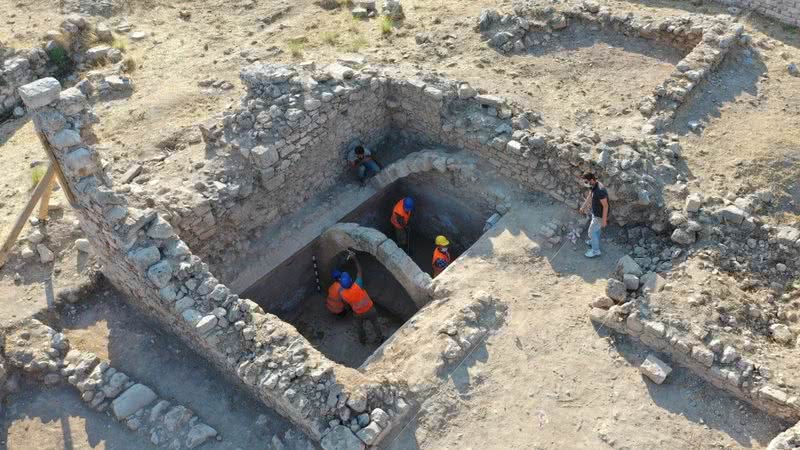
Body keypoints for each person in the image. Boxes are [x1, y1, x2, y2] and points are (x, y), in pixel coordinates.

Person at [338, 261, 384, 344]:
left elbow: (346, 305)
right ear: (351, 280)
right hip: (370, 309)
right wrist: (354, 258)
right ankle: (380, 337)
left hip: (358, 313)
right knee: (375, 323)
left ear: (341, 284)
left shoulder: (342, 294)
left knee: (359, 326)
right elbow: (359, 271)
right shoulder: (358, 285)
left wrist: (349, 311)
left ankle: (362, 340)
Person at [578, 172, 609, 258]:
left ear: (591, 180)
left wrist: (604, 220)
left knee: (591, 232)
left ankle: (596, 251)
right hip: (595, 212)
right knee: (596, 230)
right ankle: (593, 242)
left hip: (599, 215)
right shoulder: (594, 185)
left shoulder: (600, 190)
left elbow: (606, 206)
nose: (585, 184)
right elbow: (590, 196)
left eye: (586, 182)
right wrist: (583, 207)